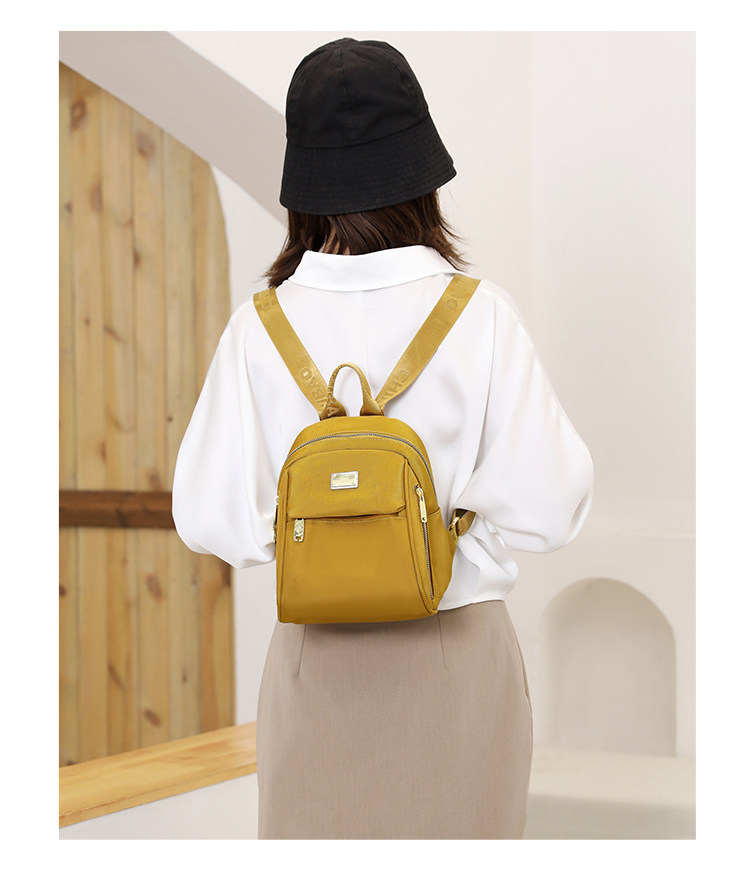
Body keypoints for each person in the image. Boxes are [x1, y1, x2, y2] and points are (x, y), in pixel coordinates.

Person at [172, 37, 594, 839]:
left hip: (315, 666)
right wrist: (453, 510)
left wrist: (322, 530)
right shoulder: (480, 315)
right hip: (457, 659)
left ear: (305, 184)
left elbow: (208, 519)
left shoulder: (259, 328)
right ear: (421, 175)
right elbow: (553, 508)